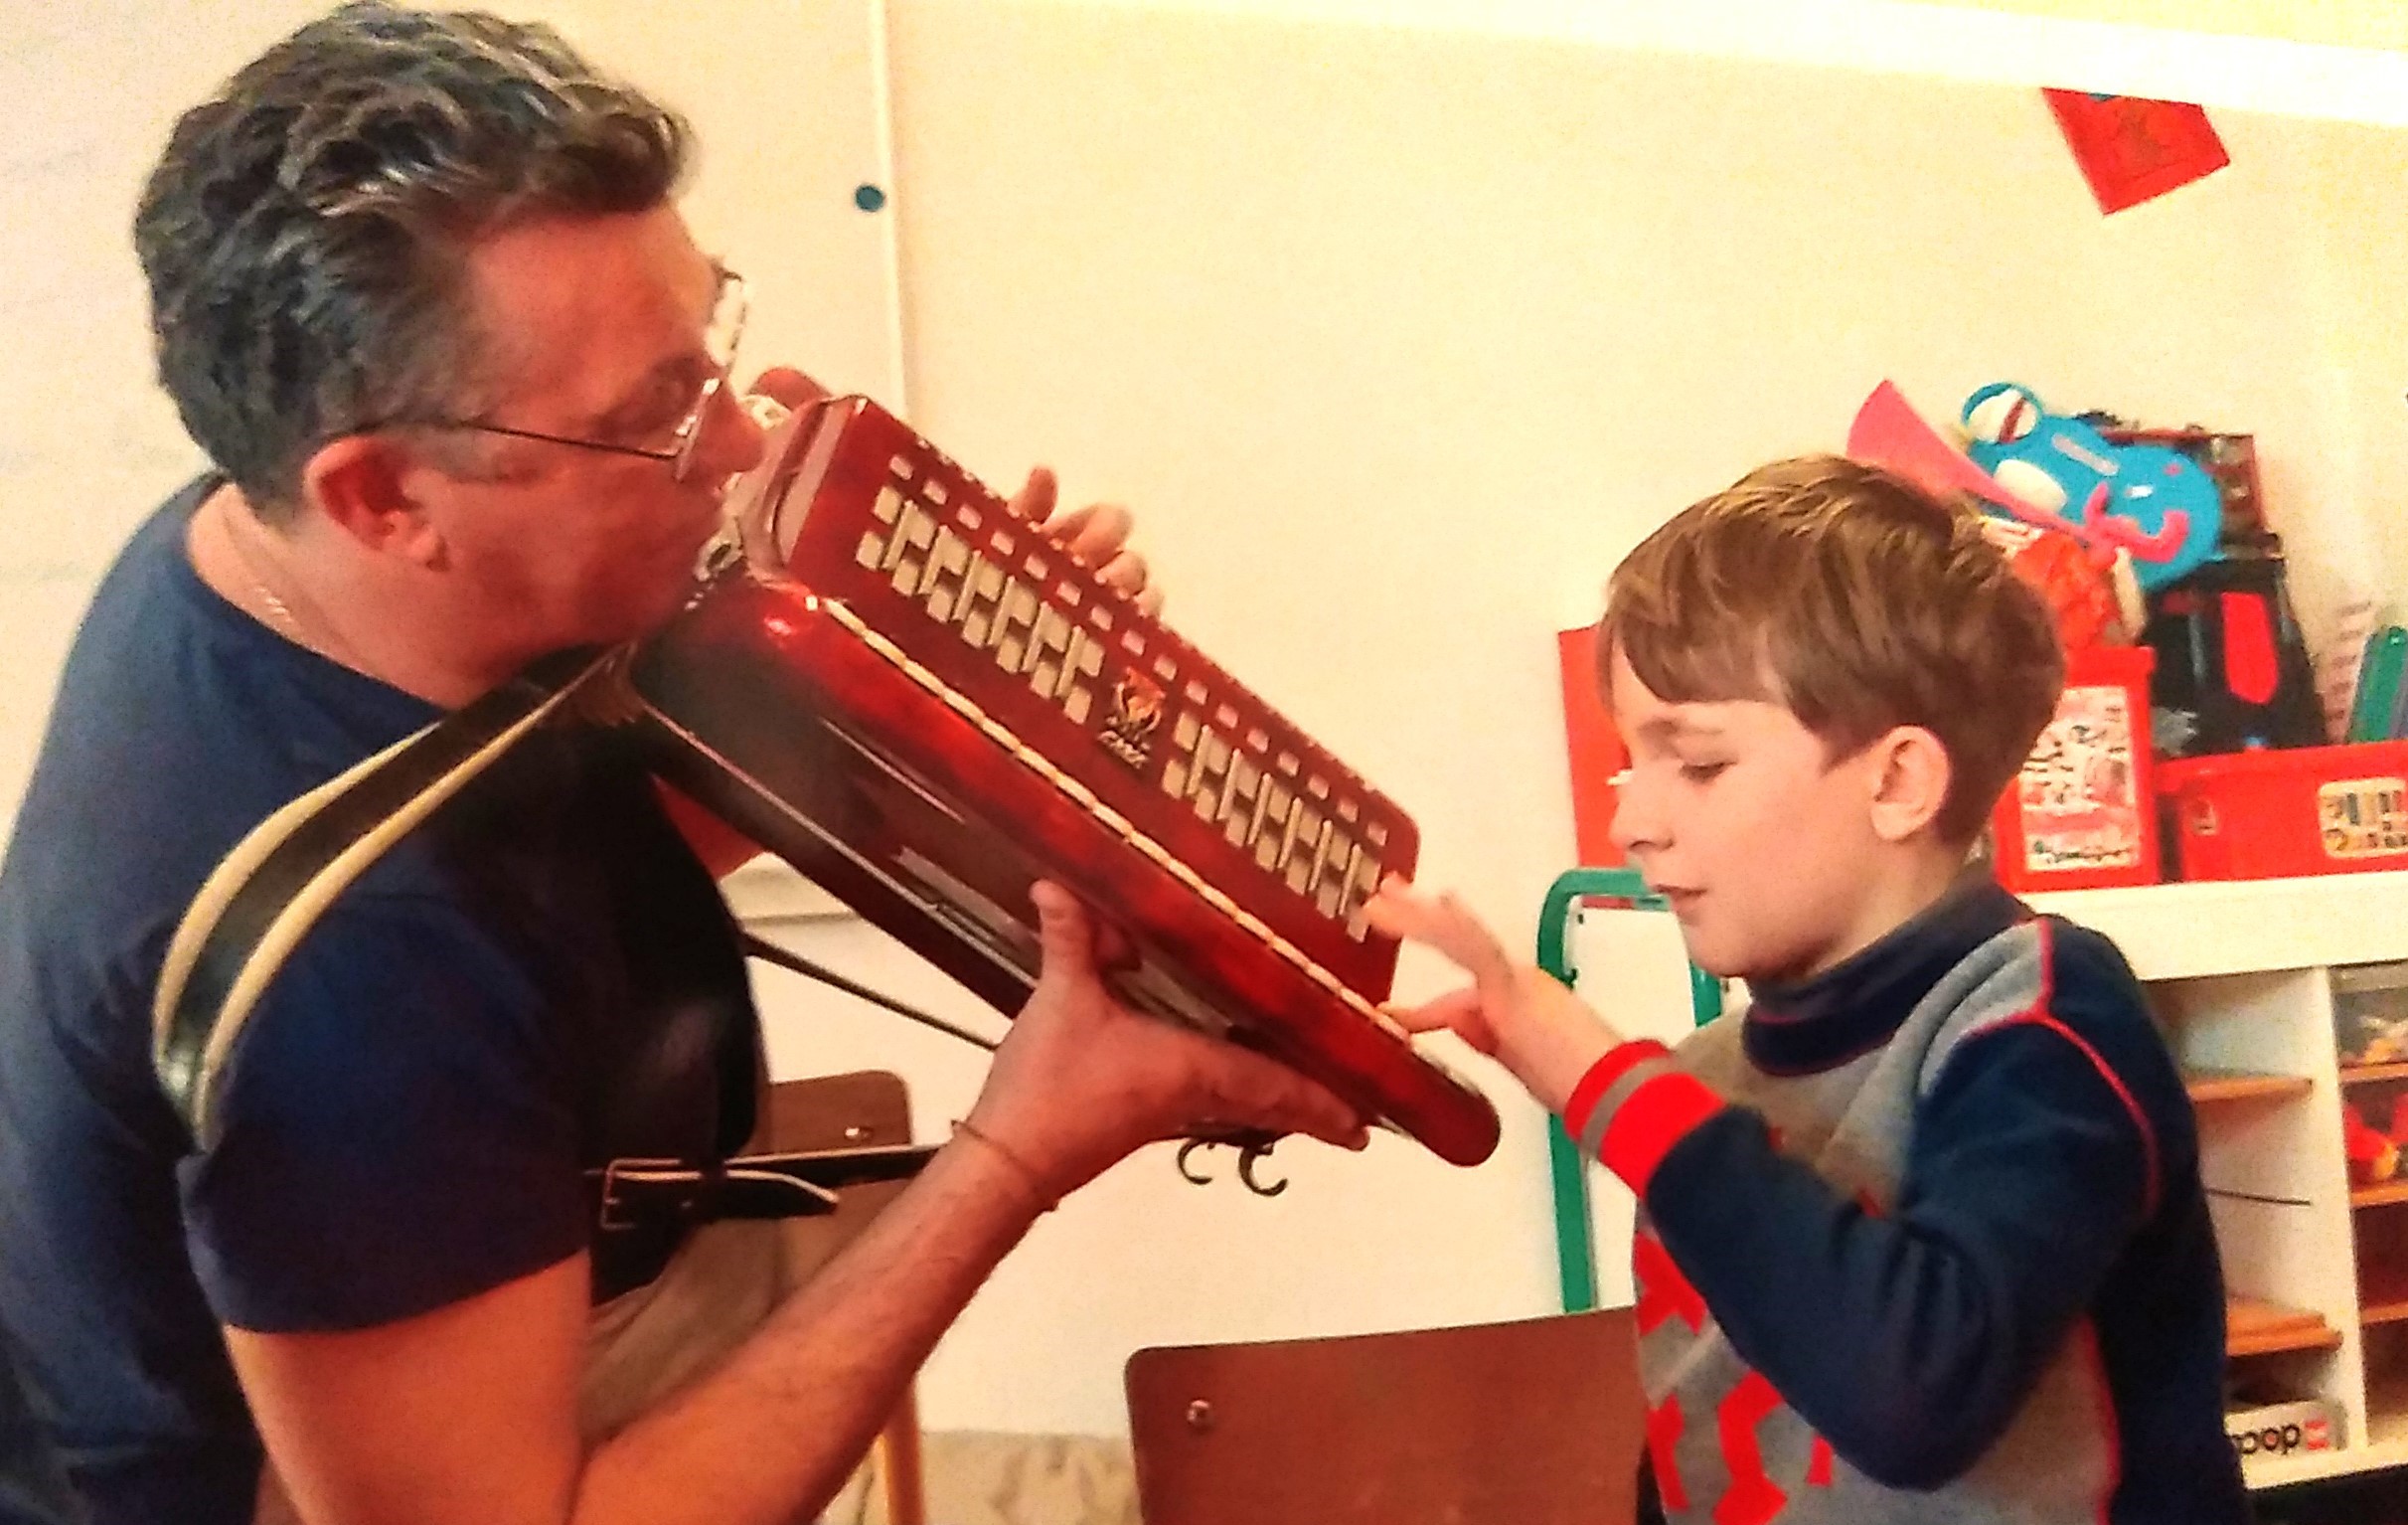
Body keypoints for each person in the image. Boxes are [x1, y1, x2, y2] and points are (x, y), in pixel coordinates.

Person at [0, 6, 1365, 1523]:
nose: (725, 449)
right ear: (386, 496)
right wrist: (1015, 1149)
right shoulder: (361, 981)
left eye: (701, 342)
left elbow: (549, 854)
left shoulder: (271, 548)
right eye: (646, 417)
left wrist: (947, 697)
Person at [1369, 456, 2246, 1524]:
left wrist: (1601, 1078)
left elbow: (1913, 1395)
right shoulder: (1696, 1088)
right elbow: (1698, 1437)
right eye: (1625, 766)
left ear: (1895, 782)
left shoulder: (2040, 1018)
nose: (1630, 822)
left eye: (1694, 764)